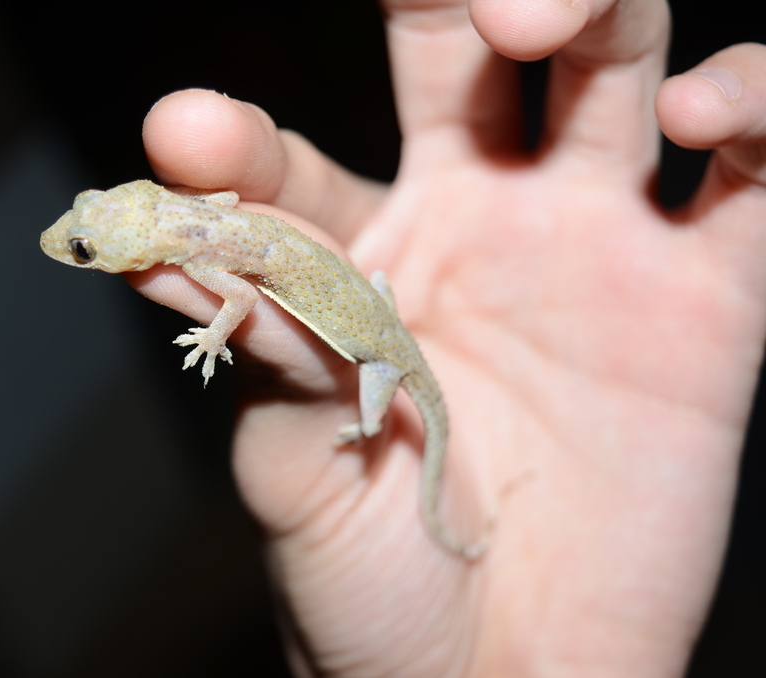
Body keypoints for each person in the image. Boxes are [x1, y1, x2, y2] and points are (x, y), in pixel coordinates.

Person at [131, 1, 766, 675]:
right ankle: (415, 482)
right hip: (378, 306)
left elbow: (234, 302)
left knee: (384, 399)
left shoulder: (197, 259)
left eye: (84, 246)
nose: (76, 245)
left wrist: (210, 340)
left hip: (381, 347)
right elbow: (230, 215)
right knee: (381, 327)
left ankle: (377, 438)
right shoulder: (200, 216)